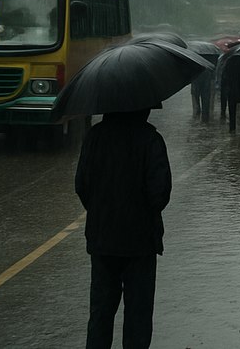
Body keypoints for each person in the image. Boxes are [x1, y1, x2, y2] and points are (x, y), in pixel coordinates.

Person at [75, 108, 172, 349]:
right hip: (140, 243)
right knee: (138, 318)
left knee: (100, 314)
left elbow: (82, 185)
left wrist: (101, 212)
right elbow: (159, 194)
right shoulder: (150, 139)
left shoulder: (94, 137)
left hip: (102, 240)